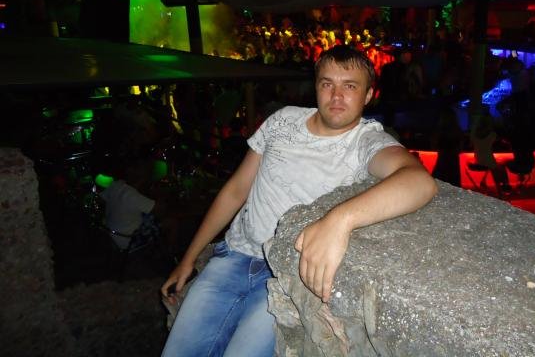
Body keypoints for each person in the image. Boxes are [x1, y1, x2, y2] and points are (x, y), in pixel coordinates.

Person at [159, 45, 437, 357]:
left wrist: (339, 220)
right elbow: (236, 189)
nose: (336, 96)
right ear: (315, 87)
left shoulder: (365, 141)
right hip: (233, 256)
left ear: (368, 95)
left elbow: (419, 181)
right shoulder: (282, 120)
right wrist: (189, 258)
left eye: (350, 86)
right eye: (327, 84)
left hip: (285, 275)